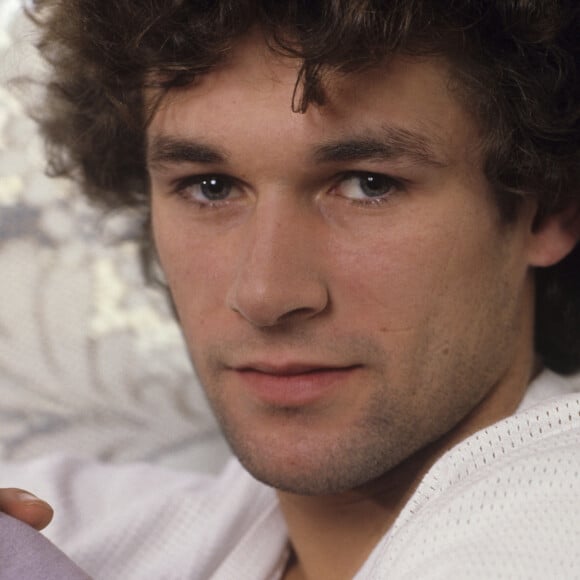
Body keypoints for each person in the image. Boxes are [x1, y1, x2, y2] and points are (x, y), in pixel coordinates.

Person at [1, 0, 580, 578]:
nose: (263, 293)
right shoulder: (72, 534)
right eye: (210, 187)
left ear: (548, 209)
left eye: (367, 184)